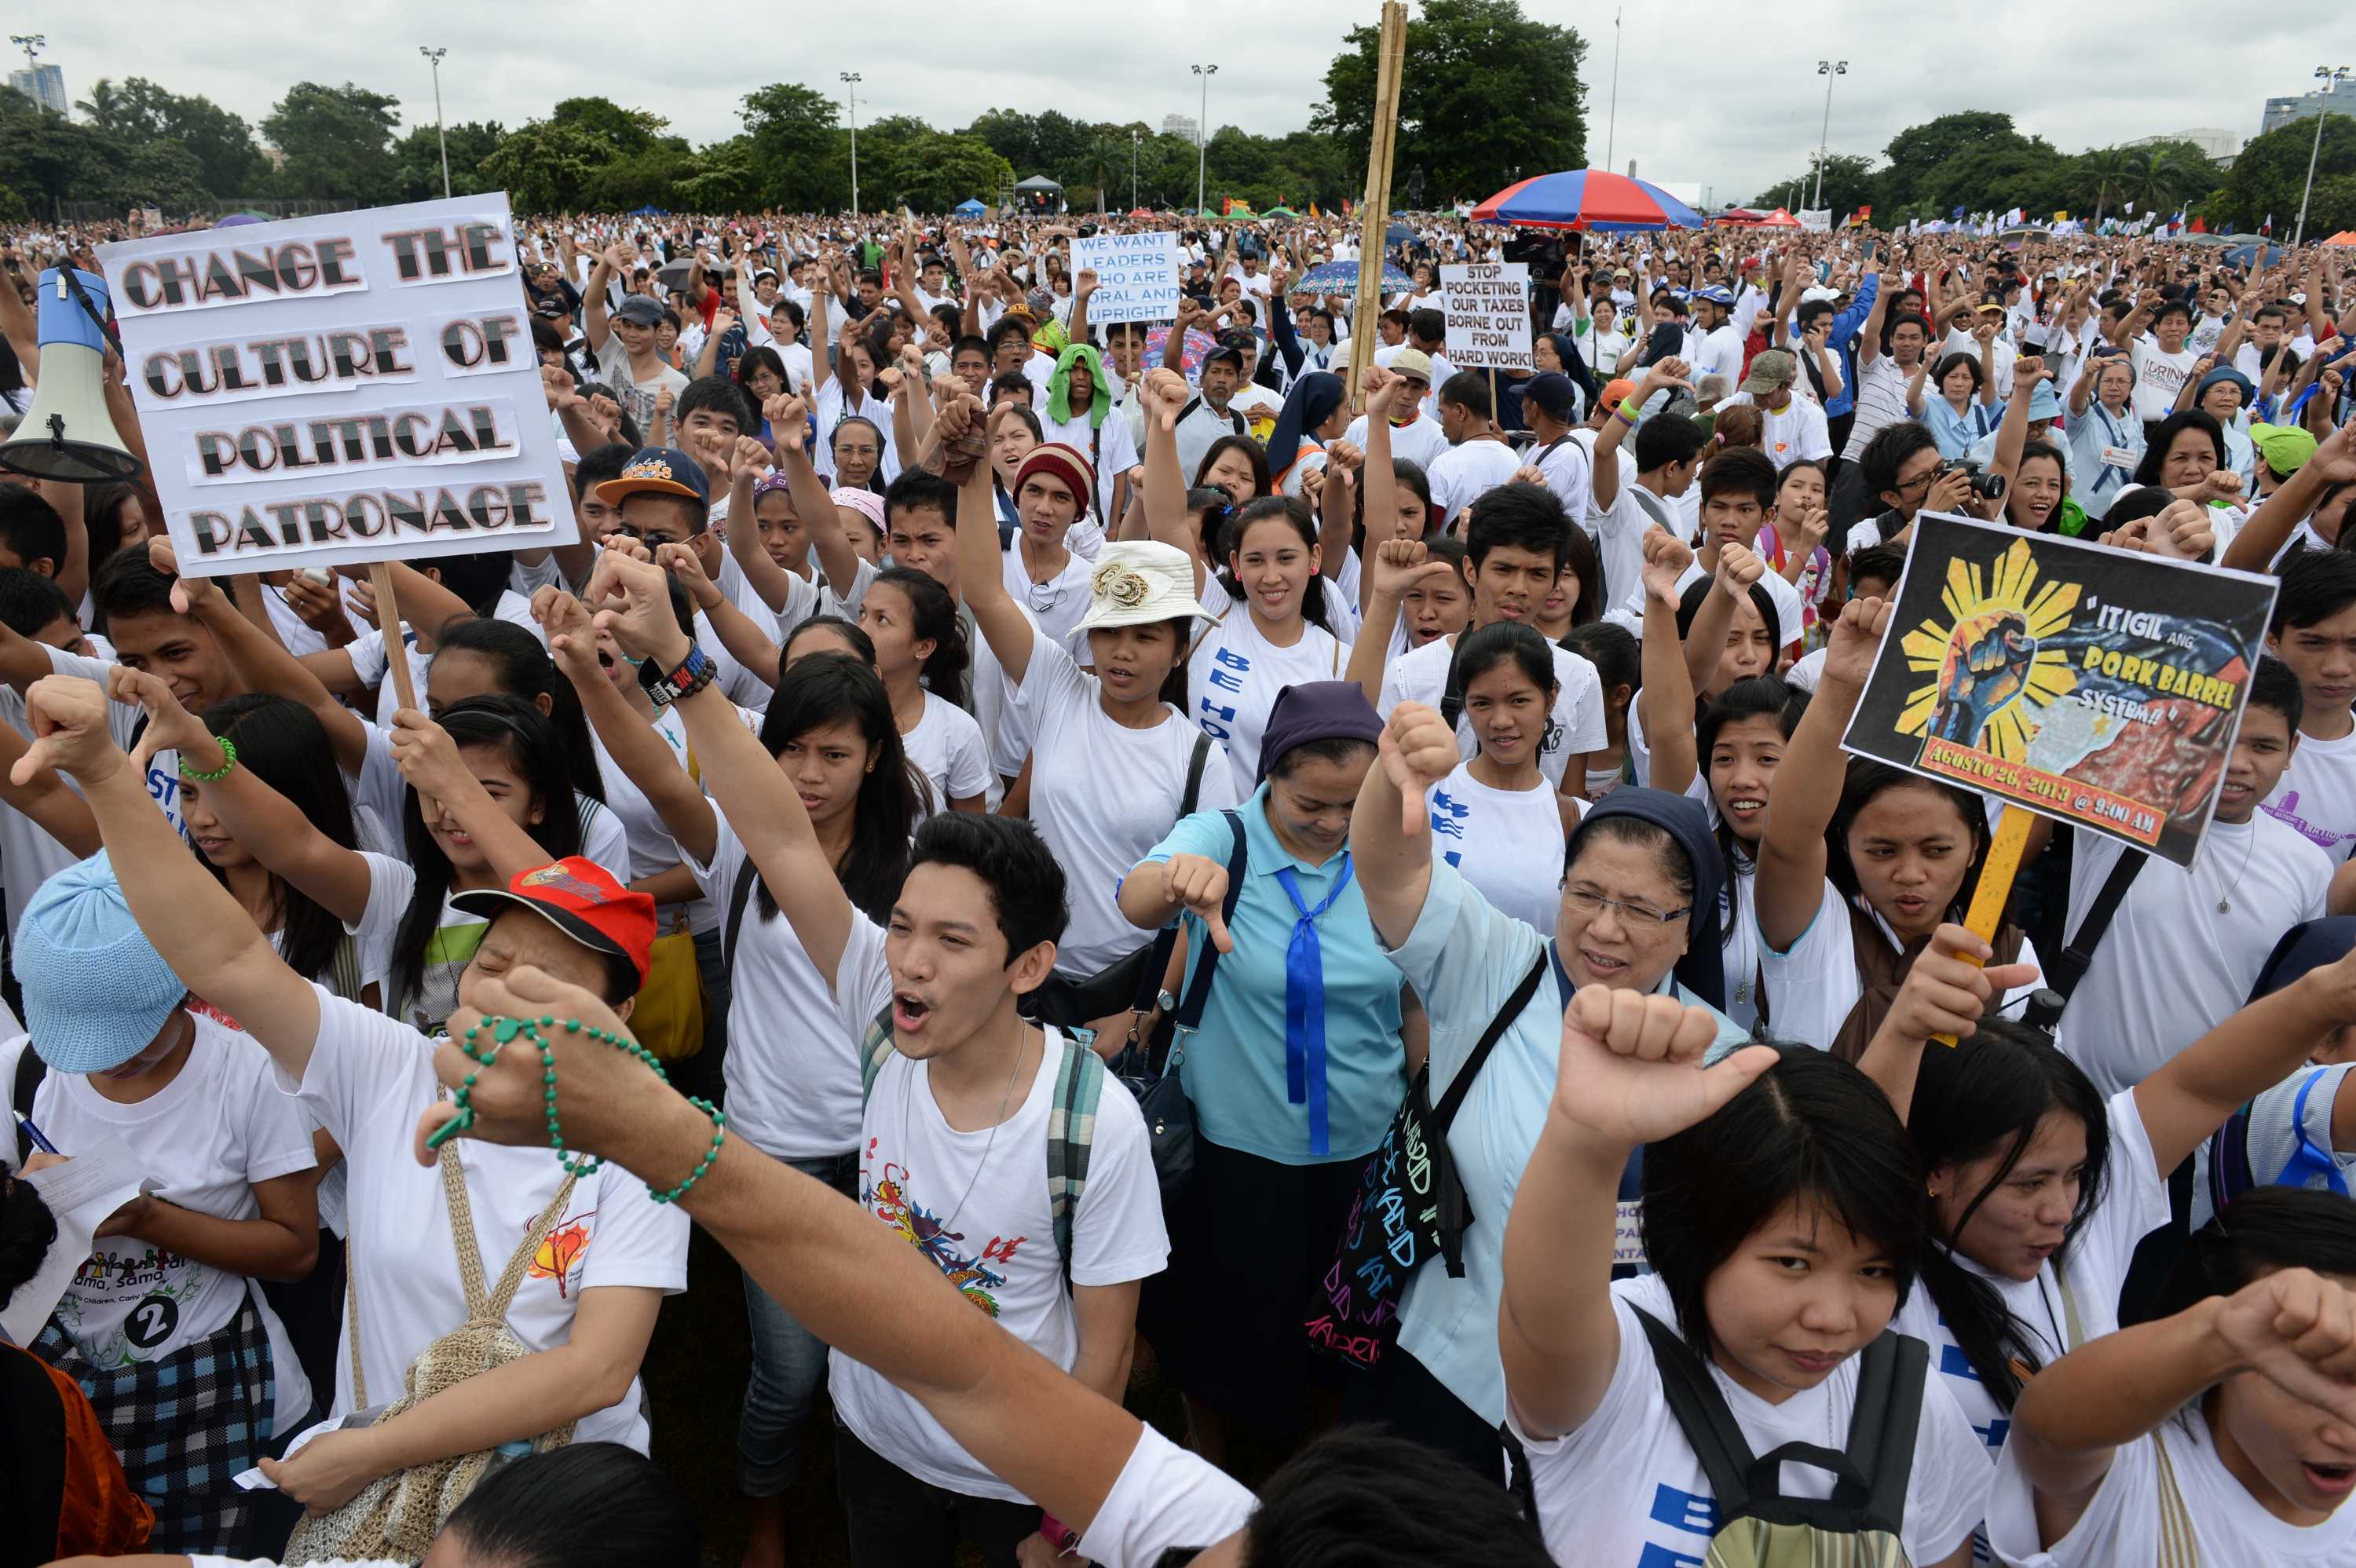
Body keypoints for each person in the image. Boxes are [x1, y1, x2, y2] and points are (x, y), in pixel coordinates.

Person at [9, 673, 684, 1552]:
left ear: (618, 1014)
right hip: (374, 1510)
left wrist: (366, 1449)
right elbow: (224, 956)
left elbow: (596, 1369)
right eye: (495, 957)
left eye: (549, 978)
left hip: (548, 1526)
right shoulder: (393, 1069)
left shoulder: (647, 1143)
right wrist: (106, 772)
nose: (506, 988)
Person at [548, 572, 914, 1568]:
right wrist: (591, 676)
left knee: (884, 1363)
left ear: (876, 759)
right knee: (787, 1373)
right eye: (788, 750)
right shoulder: (739, 856)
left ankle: (862, 1507)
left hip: (887, 1162)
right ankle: (762, 1509)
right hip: (772, 1161)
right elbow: (666, 774)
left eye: (834, 752)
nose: (807, 774)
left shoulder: (915, 879)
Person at [1347, 664, 1750, 1472]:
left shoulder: (1724, 1062)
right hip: (1454, 1370)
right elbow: (1391, 872)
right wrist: (1394, 782)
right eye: (1584, 893)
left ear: (1688, 929)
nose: (1603, 929)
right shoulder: (1496, 963)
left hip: (1621, 1400)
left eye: (1640, 910)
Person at [1497, 994, 1991, 1567]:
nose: (1833, 1316)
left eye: (1874, 1270)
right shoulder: (1618, 1369)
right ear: (1700, 1230)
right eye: (1793, 1263)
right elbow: (1544, 1319)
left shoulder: (1910, 1403)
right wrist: (1586, 1138)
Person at [1118, 681, 1405, 1482]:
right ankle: (1214, 1477)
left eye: (1354, 802)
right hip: (1238, 1147)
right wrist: (1176, 880)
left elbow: (1416, 990)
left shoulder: (1392, 846)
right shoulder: (1225, 836)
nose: (1333, 821)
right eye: (1312, 800)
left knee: (1339, 1326)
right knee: (1224, 1326)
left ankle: (1316, 1466)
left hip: (1361, 1145)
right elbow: (1136, 896)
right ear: (1272, 772)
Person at [5, 853, 317, 1553]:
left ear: (179, 988)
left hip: (217, 1397)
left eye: (130, 1040)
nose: (107, 1062)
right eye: (83, 1044)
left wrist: (151, 1218)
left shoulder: (244, 1074)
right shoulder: (25, 1073)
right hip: (71, 1394)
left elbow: (296, 1249)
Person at [953, 448, 1238, 1037]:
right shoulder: (1059, 685)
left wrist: (1146, 1010)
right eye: (1108, 632)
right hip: (1030, 973)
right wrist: (975, 468)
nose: (1123, 651)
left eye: (1146, 635)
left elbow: (1202, 905)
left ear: (1180, 648)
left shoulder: (1201, 757)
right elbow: (983, 590)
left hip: (1130, 990)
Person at [1988, 1186, 2356, 1567]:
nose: (2345, 1432)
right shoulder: (2131, 1471)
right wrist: (2223, 1329)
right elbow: (2046, 1428)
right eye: (2309, 1379)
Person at [1753, 595, 2041, 1057]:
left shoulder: (2007, 954)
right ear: (1845, 845)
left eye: (1936, 850)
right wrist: (1840, 686)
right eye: (1882, 850)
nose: (1910, 874)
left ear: (1973, 847)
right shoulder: (1816, 932)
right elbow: (1787, 842)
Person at [2056, 656, 2329, 1095]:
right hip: (2075, 1100)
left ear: (2292, 751)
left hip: (2204, 1136)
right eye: (2218, 741)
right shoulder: (2115, 814)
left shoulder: (2311, 866)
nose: (2238, 763)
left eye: (2263, 746)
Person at [1139, 371, 1353, 795]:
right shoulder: (1212, 612)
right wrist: (1163, 425)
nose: (1270, 576)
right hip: (1194, 833)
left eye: (1286, 558)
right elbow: (1166, 522)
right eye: (1255, 560)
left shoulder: (1336, 660)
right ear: (1235, 564)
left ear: (1313, 560)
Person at [1369, 482, 1607, 796]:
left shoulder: (1579, 677)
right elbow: (1383, 791)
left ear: (1554, 581)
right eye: (1504, 569)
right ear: (1470, 570)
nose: (1519, 588)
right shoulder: (1409, 675)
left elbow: (1569, 801)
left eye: (1537, 573)